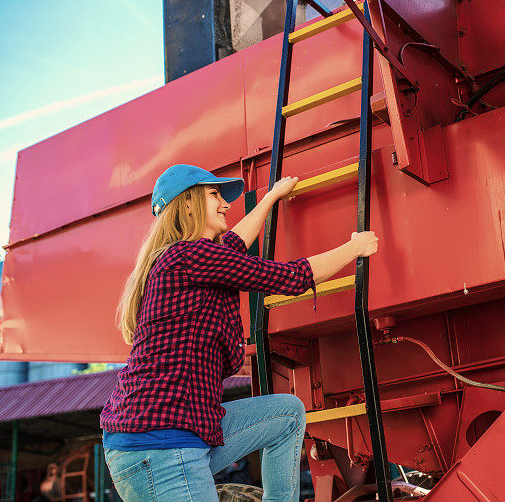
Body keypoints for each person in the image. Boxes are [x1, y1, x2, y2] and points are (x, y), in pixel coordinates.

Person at [99, 164, 378, 501]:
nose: (226, 204)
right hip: (161, 443)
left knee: (287, 415)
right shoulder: (188, 257)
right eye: (214, 194)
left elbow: (236, 242)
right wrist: (355, 247)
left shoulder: (193, 259)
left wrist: (271, 197)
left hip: (179, 430)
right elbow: (289, 278)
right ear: (187, 204)